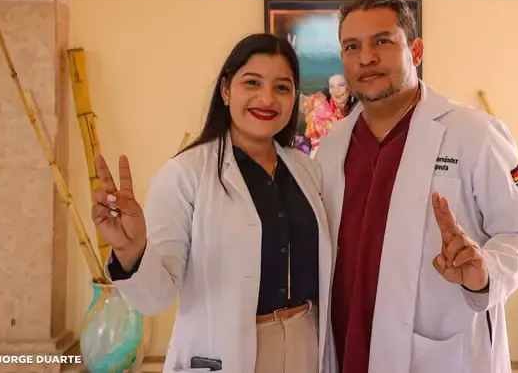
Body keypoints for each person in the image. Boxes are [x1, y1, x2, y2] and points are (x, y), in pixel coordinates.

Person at [315, 0, 518, 373]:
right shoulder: (331, 148)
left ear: (416, 50)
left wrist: (485, 270)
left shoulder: (474, 134)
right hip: (346, 348)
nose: (366, 58)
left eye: (382, 41)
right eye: (352, 47)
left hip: (440, 355)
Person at [90, 33, 335, 373]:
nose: (267, 98)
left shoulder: (307, 170)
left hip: (306, 342)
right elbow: (155, 298)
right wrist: (130, 251)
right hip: (226, 352)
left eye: (282, 87)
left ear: (294, 97)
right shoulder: (185, 173)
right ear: (226, 89)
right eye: (252, 82)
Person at [303, 73, 357, 155]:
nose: (336, 90)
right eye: (332, 87)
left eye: (341, 85)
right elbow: (319, 145)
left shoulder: (360, 107)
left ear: (349, 88)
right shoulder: (320, 111)